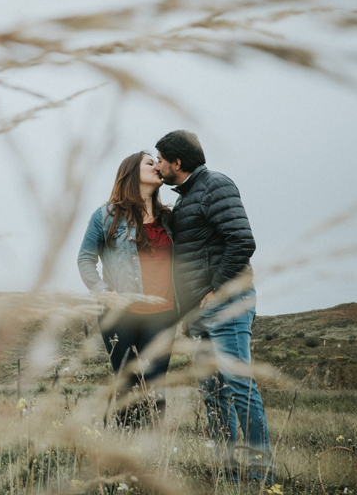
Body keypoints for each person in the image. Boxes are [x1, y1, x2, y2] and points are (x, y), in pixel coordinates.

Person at [154, 129, 272, 482]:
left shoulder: (215, 185)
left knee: (239, 387)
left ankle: (259, 479)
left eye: (160, 159)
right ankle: (230, 477)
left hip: (228, 304)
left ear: (177, 161)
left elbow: (241, 240)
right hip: (200, 314)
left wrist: (217, 290)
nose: (157, 165)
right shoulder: (186, 198)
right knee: (213, 394)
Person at [77, 151, 176, 424]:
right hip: (120, 315)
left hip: (164, 313)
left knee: (155, 385)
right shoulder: (106, 216)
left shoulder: (169, 218)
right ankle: (125, 450)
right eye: (150, 162)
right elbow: (85, 258)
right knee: (126, 385)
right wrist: (103, 292)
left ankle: (153, 455)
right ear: (132, 172)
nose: (158, 165)